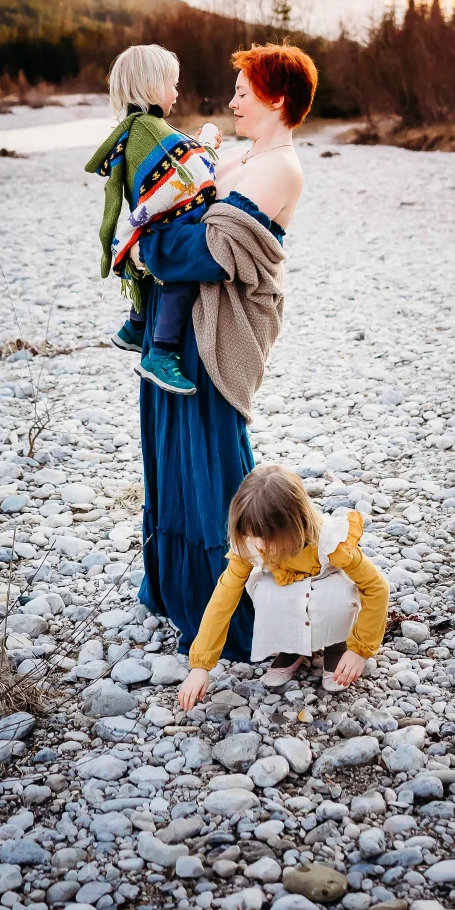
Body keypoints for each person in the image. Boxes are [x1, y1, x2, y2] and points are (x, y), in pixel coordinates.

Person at [136, 43, 318, 661]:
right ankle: (174, 589)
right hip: (188, 321)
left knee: (210, 457)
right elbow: (183, 208)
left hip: (223, 329)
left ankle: (243, 611)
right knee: (170, 447)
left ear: (279, 99)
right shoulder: (245, 154)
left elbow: (212, 252)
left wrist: (148, 246)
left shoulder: (281, 167)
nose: (233, 99)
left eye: (245, 90)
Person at [177, 465, 390, 708]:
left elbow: (377, 588)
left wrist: (360, 649)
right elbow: (223, 599)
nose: (258, 545)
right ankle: (291, 648)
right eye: (251, 535)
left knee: (337, 596)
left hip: (328, 586)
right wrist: (200, 665)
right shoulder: (253, 543)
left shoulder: (331, 540)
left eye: (266, 537)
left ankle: (337, 647)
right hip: (287, 587)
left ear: (295, 525)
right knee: (266, 592)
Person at [85, 44, 221, 396]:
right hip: (164, 228)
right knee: (183, 272)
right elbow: (189, 164)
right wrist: (208, 141)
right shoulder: (148, 129)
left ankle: (135, 325)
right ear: (151, 85)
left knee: (160, 264)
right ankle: (160, 353)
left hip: (152, 227)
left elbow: (172, 162)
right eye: (173, 84)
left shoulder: (136, 127)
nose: (177, 93)